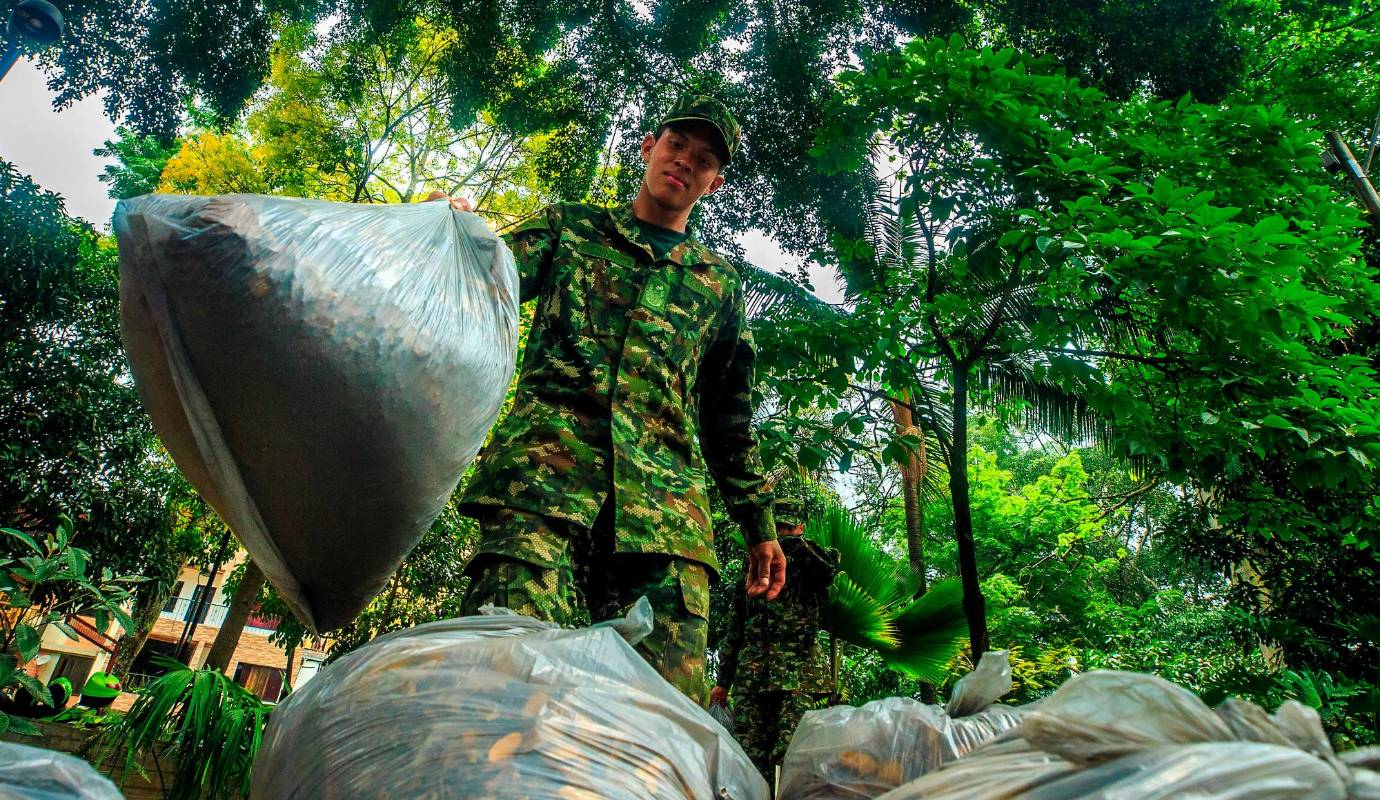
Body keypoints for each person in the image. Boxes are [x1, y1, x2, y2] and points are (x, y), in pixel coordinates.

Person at [431, 95, 787, 705]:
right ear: (649, 147)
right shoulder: (571, 229)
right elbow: (482, 278)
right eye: (677, 145)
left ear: (714, 181)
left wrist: (759, 524)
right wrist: (444, 233)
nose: (684, 162)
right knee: (499, 679)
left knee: (661, 716)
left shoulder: (718, 285)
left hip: (667, 521)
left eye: (703, 160)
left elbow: (729, 417)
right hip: (541, 490)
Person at [712, 474, 837, 782]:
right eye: (776, 527)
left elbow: (828, 569)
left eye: (787, 528)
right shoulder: (753, 564)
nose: (781, 533)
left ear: (800, 529)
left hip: (798, 678)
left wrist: (790, 545)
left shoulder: (812, 559)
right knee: (748, 758)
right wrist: (723, 681)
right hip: (753, 680)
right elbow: (736, 625)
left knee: (793, 758)